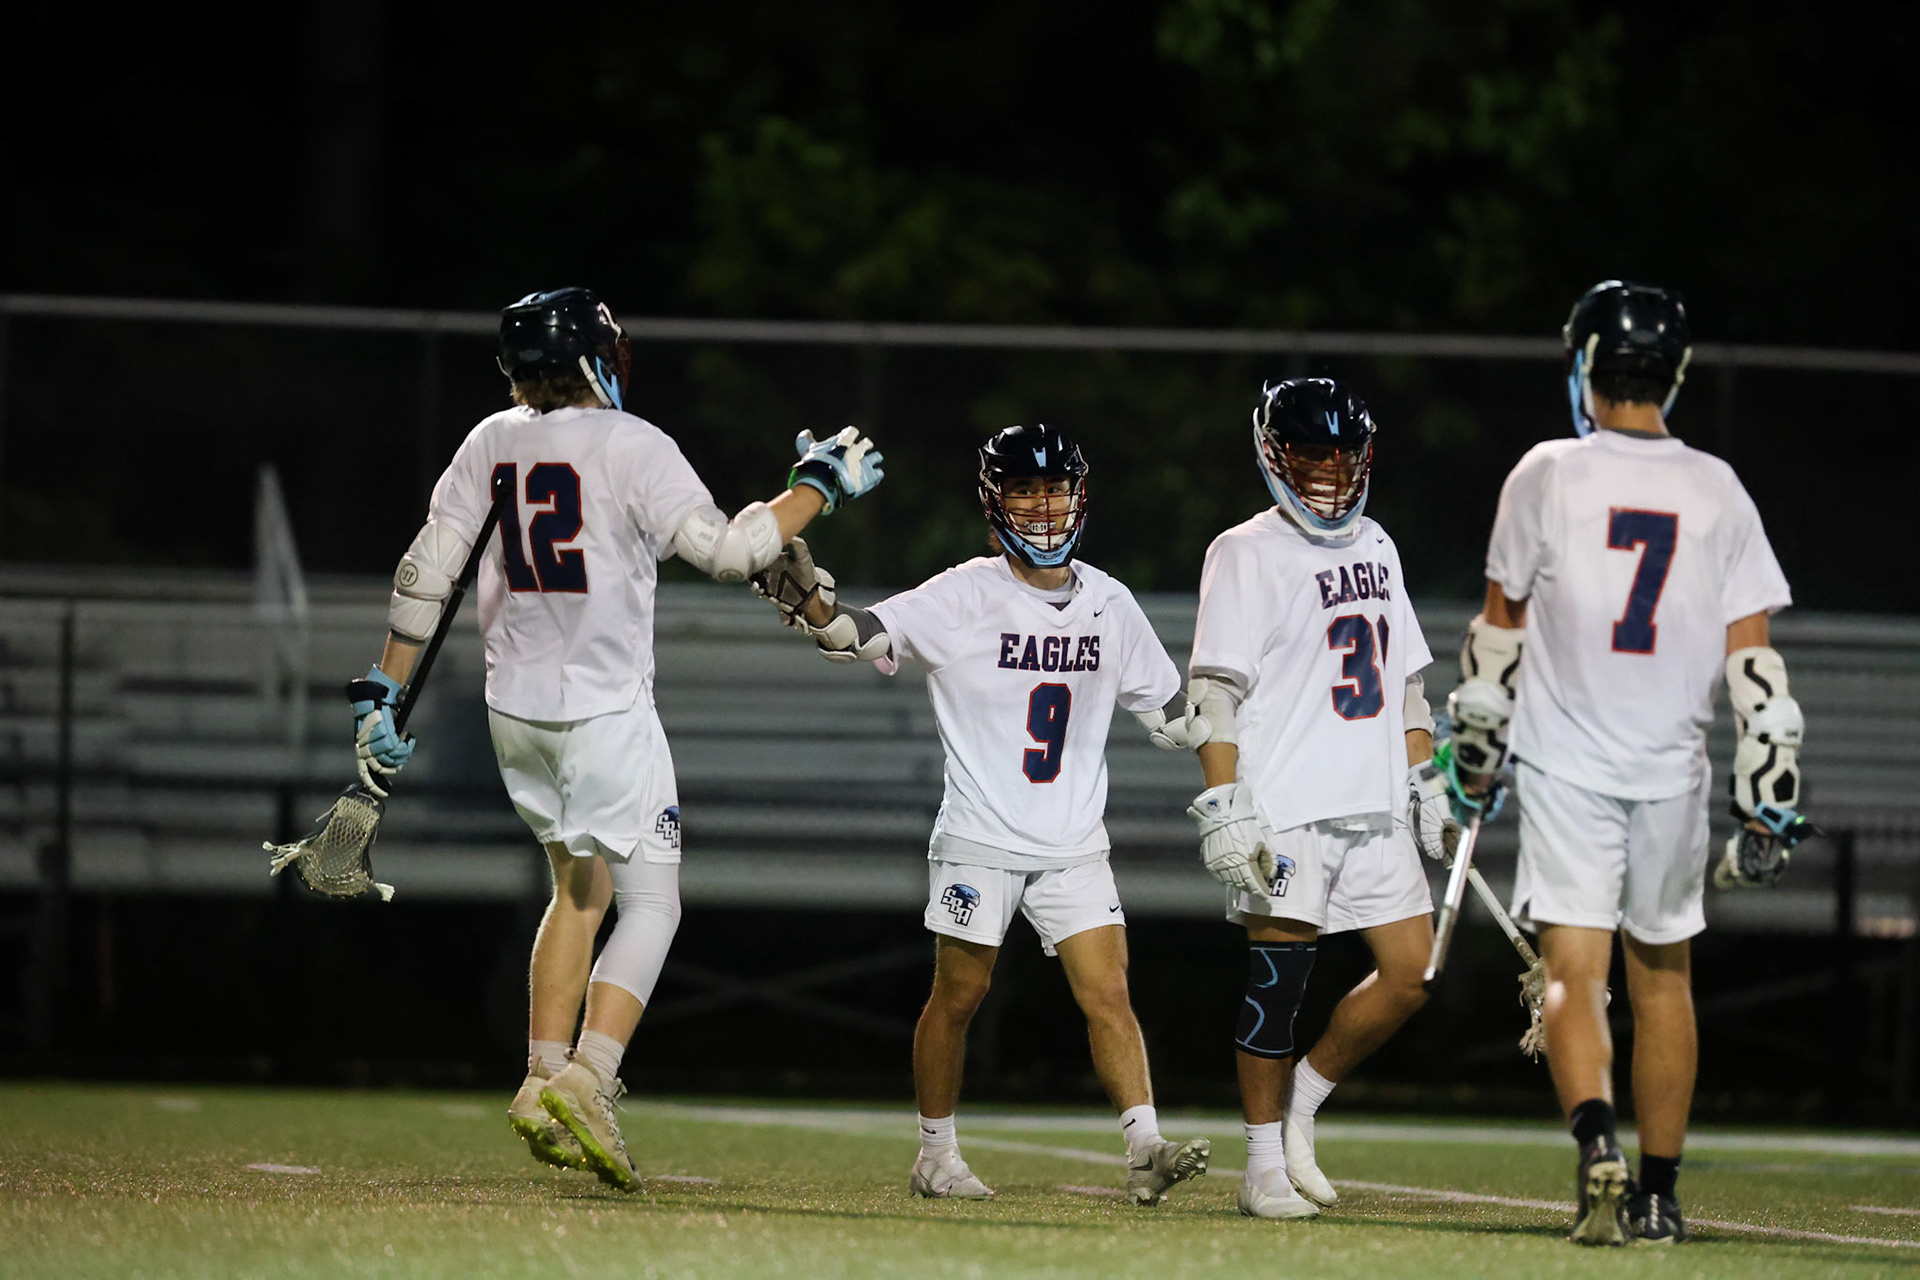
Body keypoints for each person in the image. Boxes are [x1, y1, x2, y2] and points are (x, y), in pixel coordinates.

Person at [347, 287, 884, 1193]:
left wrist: (381, 695)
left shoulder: (491, 440)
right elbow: (729, 551)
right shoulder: (633, 445)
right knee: (654, 902)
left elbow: (423, 576)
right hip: (602, 710)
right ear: (597, 358)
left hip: (513, 713)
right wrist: (817, 487)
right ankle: (591, 1077)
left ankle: (539, 1076)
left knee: (578, 888)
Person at [749, 423, 1213, 1205]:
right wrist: (815, 605)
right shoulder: (965, 592)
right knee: (958, 998)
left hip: (1072, 840)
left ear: (1080, 494)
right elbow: (859, 634)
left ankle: (1144, 1147)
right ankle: (936, 1153)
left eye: (1055, 488)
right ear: (996, 501)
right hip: (981, 833)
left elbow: (1169, 714)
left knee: (1108, 993)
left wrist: (1233, 723)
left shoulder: (1110, 601)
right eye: (1026, 490)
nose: (1043, 506)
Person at [1444, 280, 1809, 1245]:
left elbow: (1497, 637)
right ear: (1674, 374)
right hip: (1672, 772)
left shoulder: (1547, 474)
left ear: (1587, 365)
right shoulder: (1718, 487)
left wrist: (1473, 754)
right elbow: (1756, 668)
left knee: (1574, 973)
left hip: (1567, 761)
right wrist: (1768, 786)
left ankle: (1595, 1139)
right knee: (1665, 982)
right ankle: (1659, 1192)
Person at [1183, 377, 1455, 1221]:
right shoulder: (1245, 549)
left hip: (1371, 799)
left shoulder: (1377, 542)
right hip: (1289, 800)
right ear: (1276, 455)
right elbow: (1214, 691)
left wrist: (1425, 776)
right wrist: (1226, 801)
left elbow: (1406, 685)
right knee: (1278, 983)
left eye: (1343, 457)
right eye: (1312, 456)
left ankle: (1301, 1104)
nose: (1331, 474)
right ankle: (1262, 1166)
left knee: (1414, 973)